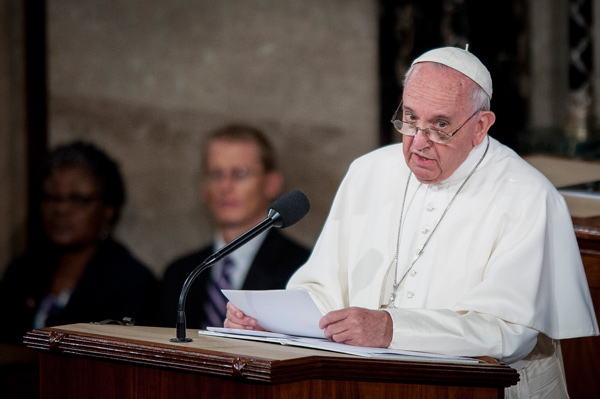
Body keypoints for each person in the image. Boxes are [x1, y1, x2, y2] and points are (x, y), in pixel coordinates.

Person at [225, 47, 599, 398]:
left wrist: (391, 329)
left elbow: (509, 332)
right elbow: (326, 291)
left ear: (481, 125)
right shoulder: (368, 172)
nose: (418, 142)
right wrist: (271, 322)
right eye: (410, 118)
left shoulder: (528, 196)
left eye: (440, 125)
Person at [0, 141, 158, 344]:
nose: (61, 210)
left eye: (77, 199)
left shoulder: (131, 281)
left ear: (108, 209)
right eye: (52, 197)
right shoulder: (22, 271)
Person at [155, 124, 310, 329]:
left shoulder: (303, 269)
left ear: (272, 184)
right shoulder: (181, 273)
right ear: (204, 188)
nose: (225, 186)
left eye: (239, 174)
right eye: (216, 174)